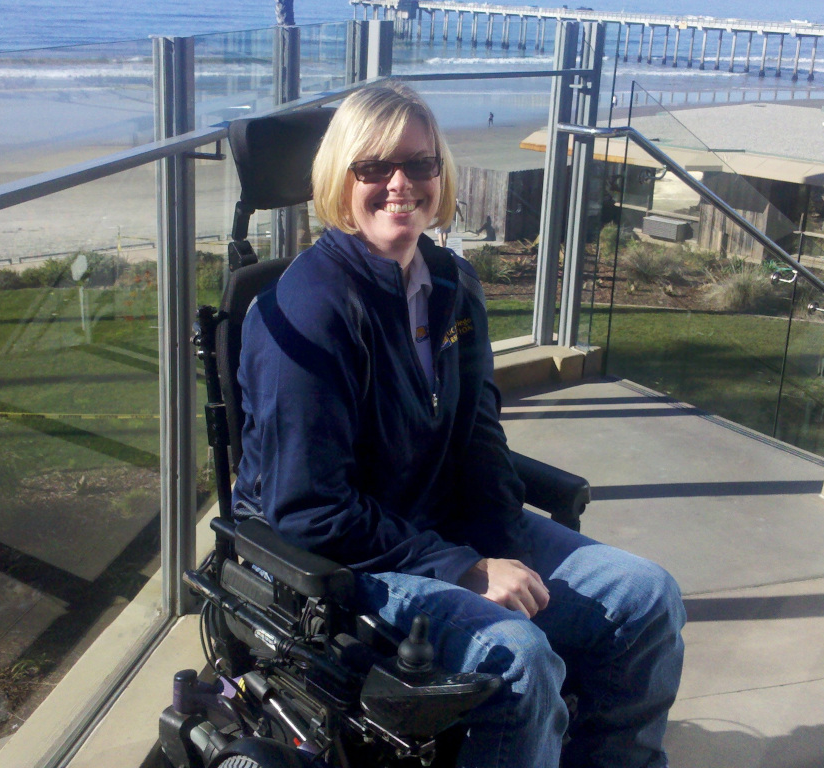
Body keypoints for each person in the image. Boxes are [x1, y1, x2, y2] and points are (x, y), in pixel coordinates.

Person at [232, 82, 684, 768]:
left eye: (419, 164)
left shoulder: (451, 285)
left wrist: (504, 545)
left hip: (443, 529)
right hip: (351, 564)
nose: (399, 185)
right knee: (519, 656)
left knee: (646, 598)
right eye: (373, 168)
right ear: (338, 178)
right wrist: (464, 571)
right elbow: (307, 509)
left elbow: (477, 438)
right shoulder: (306, 312)